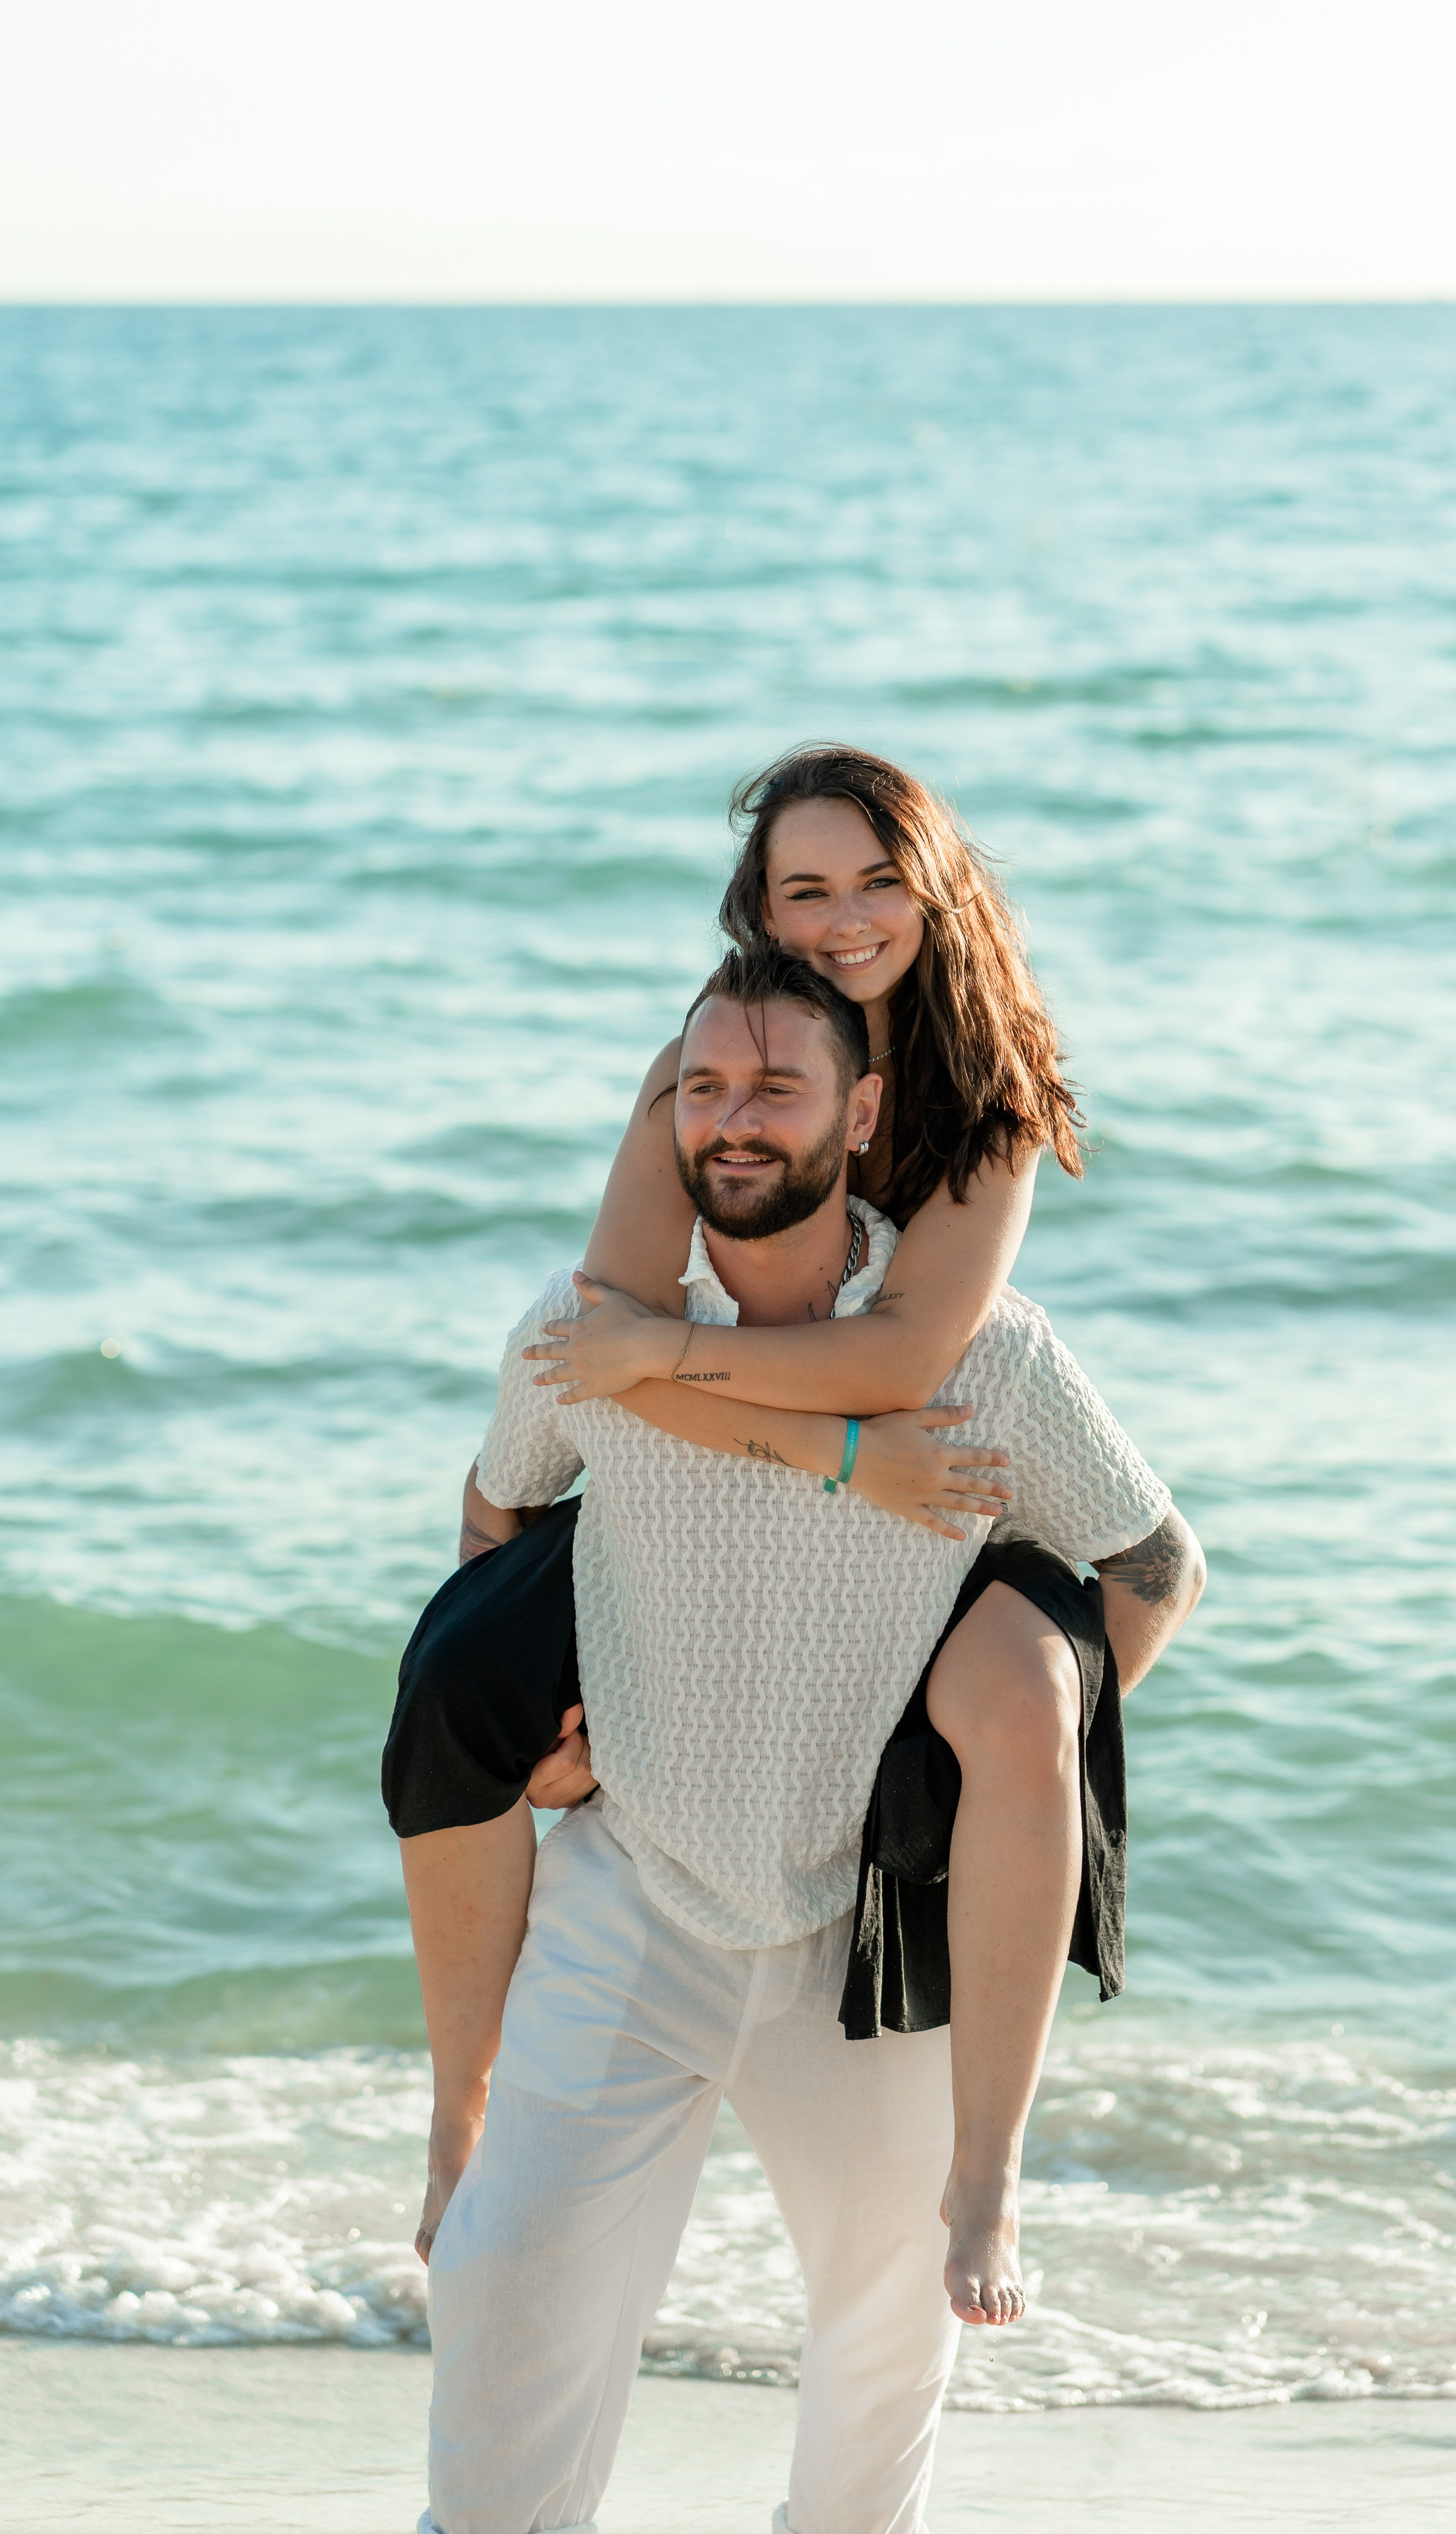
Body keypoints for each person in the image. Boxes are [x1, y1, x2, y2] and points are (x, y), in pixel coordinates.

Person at [387, 741, 1190, 2326]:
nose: (841, 919)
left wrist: (825, 1458)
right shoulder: (708, 1059)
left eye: (875, 880)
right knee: (451, 1695)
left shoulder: (987, 1104)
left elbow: (900, 1362)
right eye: (801, 888)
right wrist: (822, 1461)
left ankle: (986, 2168)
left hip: (937, 1502)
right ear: (754, 903)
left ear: (935, 886)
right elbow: (601, 1342)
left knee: (1016, 1707)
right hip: (803, 1475)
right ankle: (457, 2106)